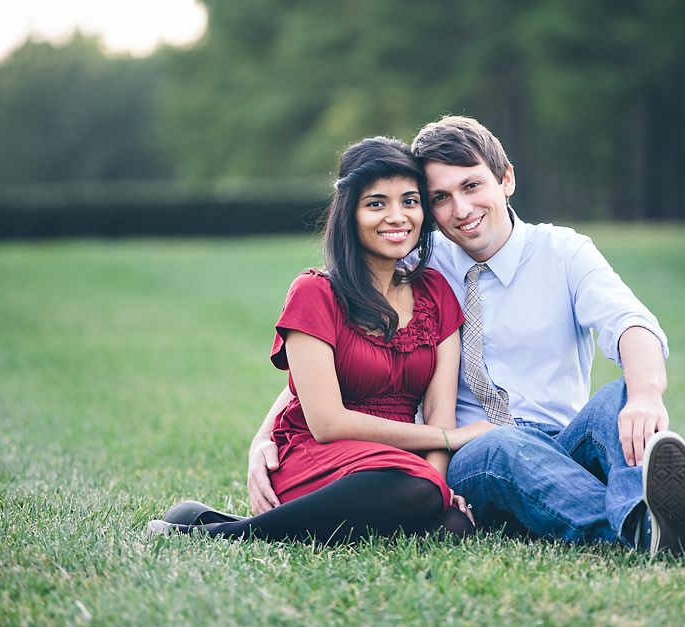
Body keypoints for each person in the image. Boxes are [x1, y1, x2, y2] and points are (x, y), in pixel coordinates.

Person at [247, 117, 685, 558]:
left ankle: (654, 528)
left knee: (618, 397)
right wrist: (265, 438)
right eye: (440, 197)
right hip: (476, 456)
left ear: (506, 179)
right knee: (505, 444)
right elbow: (342, 354)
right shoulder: (422, 267)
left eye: (472, 186)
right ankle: (655, 535)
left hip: (561, 442)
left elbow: (631, 324)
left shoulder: (563, 252)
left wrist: (644, 395)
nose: (460, 209)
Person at [148, 137, 492, 544]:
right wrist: (447, 444)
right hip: (315, 452)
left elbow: (439, 412)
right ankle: (227, 534)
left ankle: (206, 519)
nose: (397, 217)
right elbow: (328, 423)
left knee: (452, 526)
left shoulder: (436, 291)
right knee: (417, 490)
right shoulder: (314, 292)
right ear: (350, 213)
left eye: (410, 201)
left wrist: (437, 489)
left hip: (396, 467)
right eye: (377, 203)